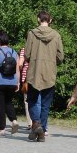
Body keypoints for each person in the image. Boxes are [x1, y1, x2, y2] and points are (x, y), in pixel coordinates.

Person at [24, 10, 64, 142]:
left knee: (32, 100)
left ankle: (36, 124)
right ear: (50, 20)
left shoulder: (32, 33)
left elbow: (27, 54)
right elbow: (60, 56)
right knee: (45, 104)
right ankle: (41, 130)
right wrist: (51, 61)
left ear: (38, 19)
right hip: (50, 72)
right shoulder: (56, 35)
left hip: (34, 72)